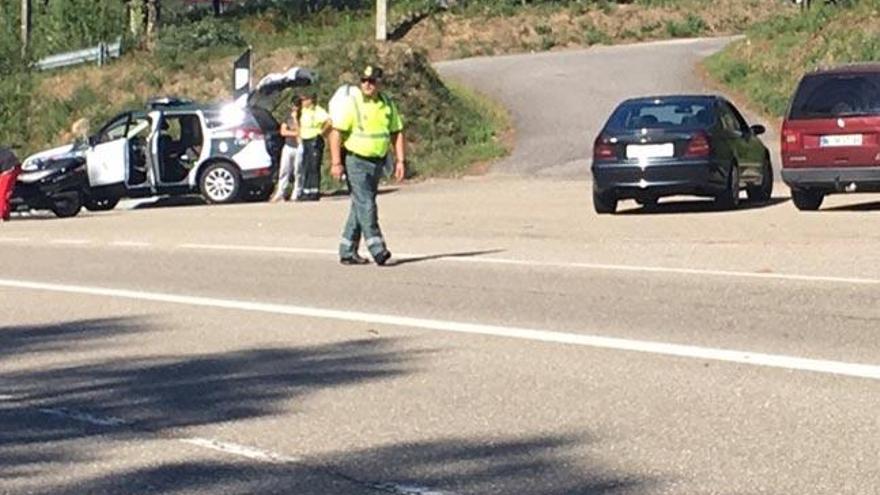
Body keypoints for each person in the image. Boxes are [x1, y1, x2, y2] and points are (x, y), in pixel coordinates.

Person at [329, 65, 406, 266]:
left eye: (371, 81)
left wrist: (400, 160)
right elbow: (336, 133)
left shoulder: (387, 104)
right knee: (367, 204)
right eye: (364, 81)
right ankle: (377, 247)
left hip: (377, 162)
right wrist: (336, 162)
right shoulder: (353, 103)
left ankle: (347, 250)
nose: (367, 85)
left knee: (359, 205)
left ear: (379, 83)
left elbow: (396, 132)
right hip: (356, 161)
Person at [297, 92, 331, 201]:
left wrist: (321, 133)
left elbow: (329, 122)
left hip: (314, 139)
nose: (303, 102)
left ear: (311, 100)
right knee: (306, 166)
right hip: (305, 140)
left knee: (314, 166)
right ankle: (306, 190)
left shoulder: (318, 111)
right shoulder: (303, 111)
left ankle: (314, 191)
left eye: (305, 100)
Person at [272, 99, 304, 202]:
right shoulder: (287, 117)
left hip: (298, 146)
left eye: (297, 106)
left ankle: (297, 192)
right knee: (284, 170)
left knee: (297, 170)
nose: (295, 108)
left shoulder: (302, 117)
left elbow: (301, 132)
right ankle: (280, 192)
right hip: (288, 146)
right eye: (293, 105)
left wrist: (295, 120)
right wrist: (295, 133)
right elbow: (283, 131)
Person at [0, 148, 21, 222]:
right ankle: (5, 215)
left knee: (2, 193)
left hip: (9, 168)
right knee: (5, 194)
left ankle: (2, 214)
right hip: (14, 166)